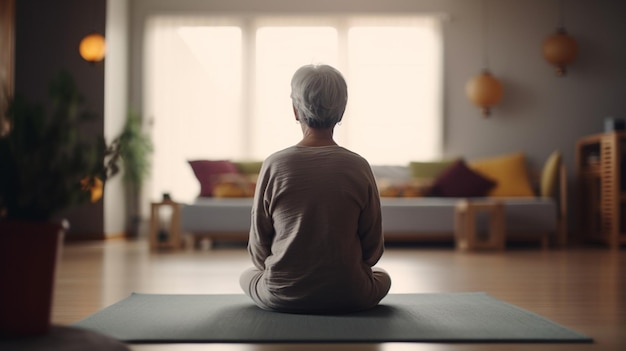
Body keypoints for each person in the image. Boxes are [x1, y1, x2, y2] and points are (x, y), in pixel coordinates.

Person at [239, 64, 391, 314]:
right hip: (351, 294)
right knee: (382, 276)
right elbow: (373, 250)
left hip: (282, 294)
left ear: (295, 110)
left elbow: (258, 250)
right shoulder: (358, 165)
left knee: (247, 275)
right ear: (341, 112)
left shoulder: (274, 164)